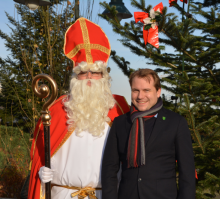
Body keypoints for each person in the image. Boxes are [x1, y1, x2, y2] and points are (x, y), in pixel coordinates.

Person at [28, 17, 130, 199]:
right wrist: (41, 171)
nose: (89, 78)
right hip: (64, 195)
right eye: (83, 73)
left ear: (104, 76)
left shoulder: (119, 108)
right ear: (75, 77)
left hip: (105, 195)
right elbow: (39, 153)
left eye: (96, 72)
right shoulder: (57, 109)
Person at [102, 69, 195, 199]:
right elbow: (109, 169)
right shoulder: (120, 123)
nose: (140, 96)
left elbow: (187, 172)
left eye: (146, 90)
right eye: (135, 90)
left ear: (158, 92)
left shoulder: (176, 123)